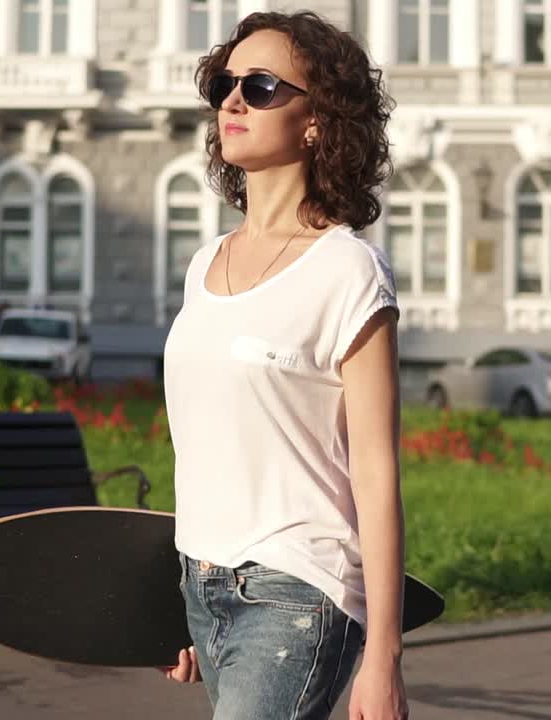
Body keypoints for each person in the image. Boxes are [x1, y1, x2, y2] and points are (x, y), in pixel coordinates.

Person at [158, 10, 407, 720]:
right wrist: (176, 597)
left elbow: (377, 471)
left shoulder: (349, 272)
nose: (232, 101)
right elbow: (209, 443)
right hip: (201, 585)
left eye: (261, 86)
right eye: (223, 83)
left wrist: (383, 657)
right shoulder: (206, 263)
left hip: (297, 593)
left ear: (317, 121)